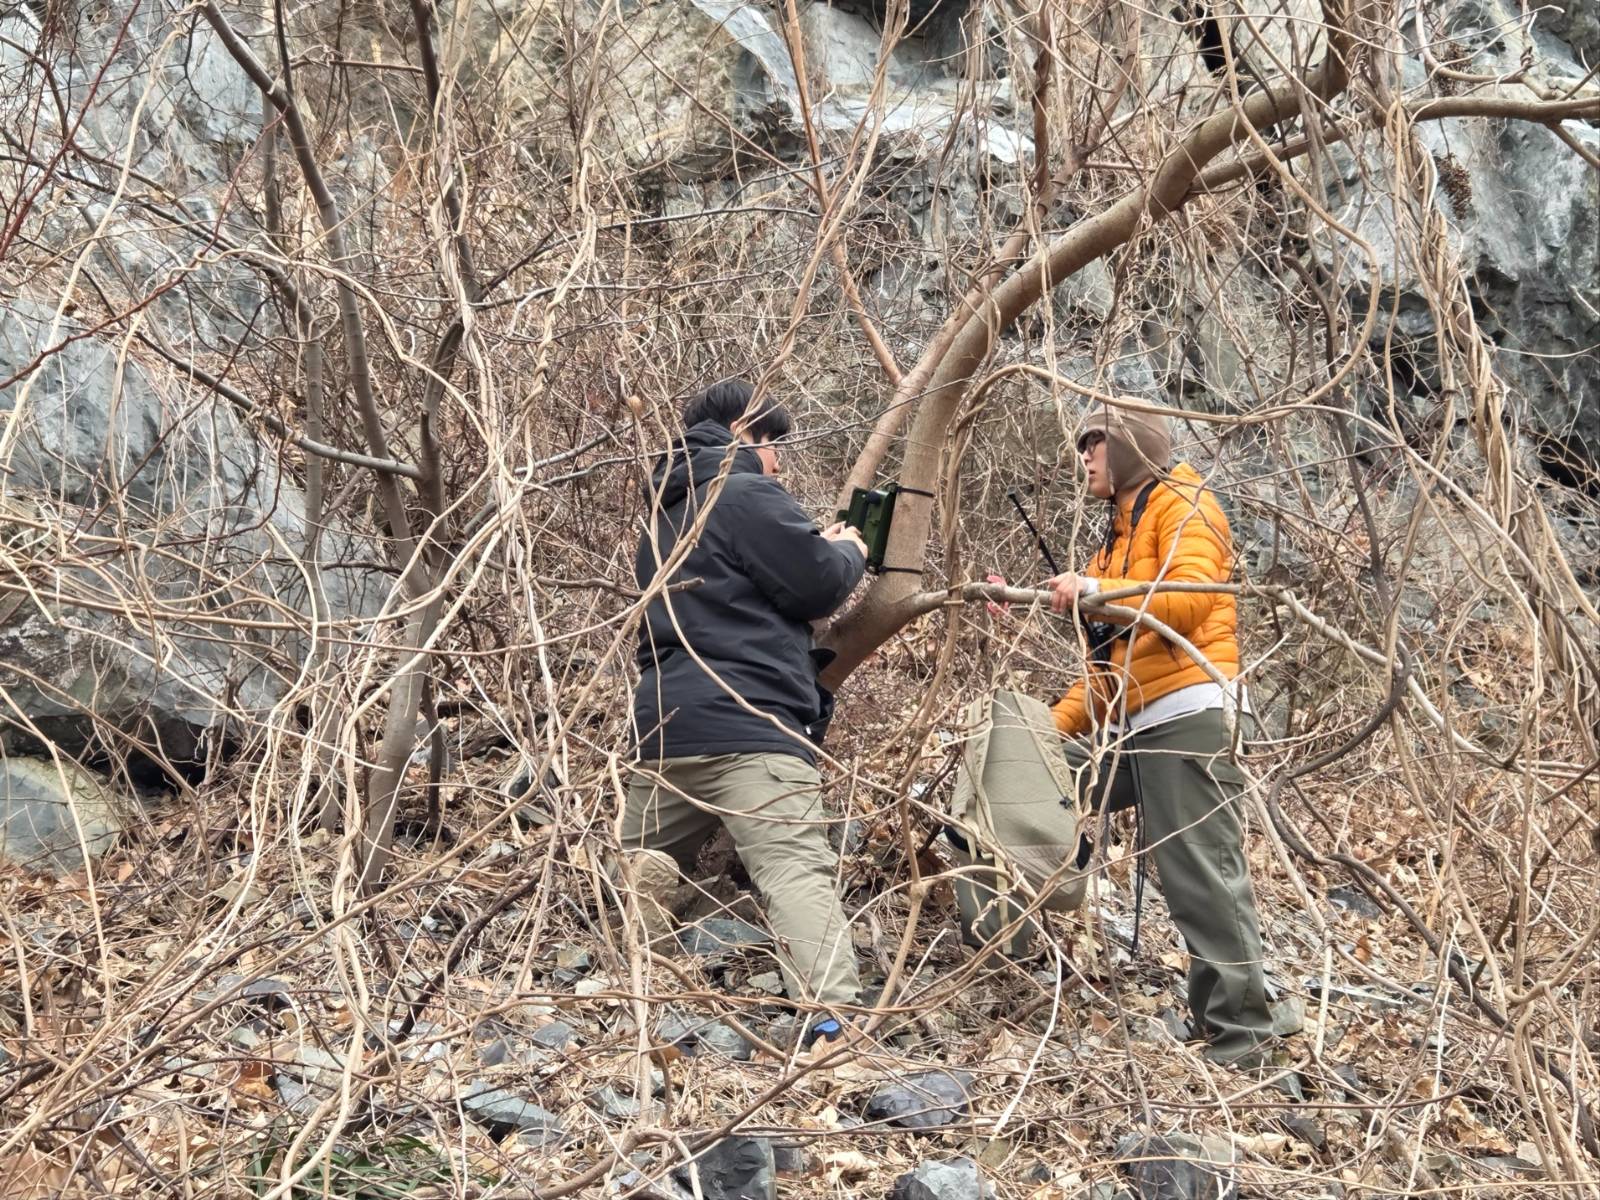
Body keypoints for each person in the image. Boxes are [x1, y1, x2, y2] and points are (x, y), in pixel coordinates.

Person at [624, 379, 869, 1047]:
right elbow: (816, 584)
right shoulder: (742, 491)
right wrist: (850, 550)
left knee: (639, 862)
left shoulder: (663, 514)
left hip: (664, 726)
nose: (779, 462)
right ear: (740, 434)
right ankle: (831, 1026)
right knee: (793, 868)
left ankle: (629, 983)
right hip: (749, 720)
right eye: (772, 444)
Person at [1045, 400, 1277, 1068]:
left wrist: (1094, 589)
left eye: (1095, 444)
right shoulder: (1117, 537)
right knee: (1030, 774)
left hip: (1188, 719)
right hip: (1132, 727)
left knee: (1199, 876)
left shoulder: (1186, 503)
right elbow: (1107, 677)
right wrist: (1045, 731)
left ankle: (1244, 1040)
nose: (1084, 457)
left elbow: (1190, 598)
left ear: (1128, 450)